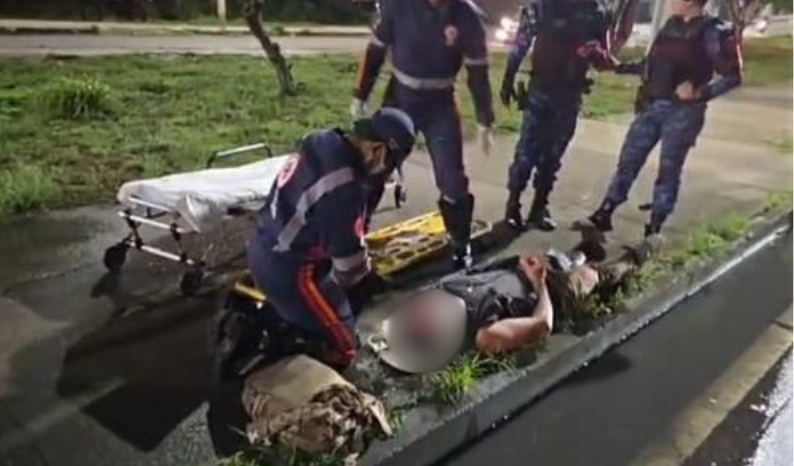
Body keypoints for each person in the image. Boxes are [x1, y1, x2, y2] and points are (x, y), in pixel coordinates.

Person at [246, 108, 416, 371]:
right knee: (345, 346)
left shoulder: (324, 139)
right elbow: (350, 271)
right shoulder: (343, 190)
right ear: (378, 150)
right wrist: (366, 279)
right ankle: (292, 363)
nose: (386, 172)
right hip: (288, 269)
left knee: (334, 298)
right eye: (390, 164)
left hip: (265, 239)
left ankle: (294, 317)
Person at [372, 232, 659, 373]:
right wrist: (540, 283)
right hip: (548, 294)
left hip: (517, 271)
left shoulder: (433, 297)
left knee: (558, 257)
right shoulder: (486, 336)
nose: (420, 314)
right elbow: (542, 325)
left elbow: (476, 274)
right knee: (592, 276)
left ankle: (582, 251)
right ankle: (633, 260)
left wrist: (517, 263)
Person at [351, 0, 495, 270]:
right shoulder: (399, 5)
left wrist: (485, 118)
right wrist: (361, 93)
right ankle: (354, 234)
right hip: (400, 98)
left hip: (440, 103)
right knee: (374, 167)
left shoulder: (467, 16)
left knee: (452, 178)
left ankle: (460, 242)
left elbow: (478, 71)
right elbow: (376, 50)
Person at [581, 0, 743, 237]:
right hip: (652, 105)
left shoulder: (713, 31)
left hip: (682, 113)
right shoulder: (671, 25)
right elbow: (651, 66)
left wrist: (700, 93)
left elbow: (734, 76)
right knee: (628, 160)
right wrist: (618, 68)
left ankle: (655, 226)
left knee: (669, 170)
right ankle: (606, 211)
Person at [500, 0, 614, 231]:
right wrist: (509, 77)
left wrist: (597, 54)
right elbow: (521, 42)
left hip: (570, 94)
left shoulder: (598, 11)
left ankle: (539, 207)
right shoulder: (542, 7)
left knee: (553, 156)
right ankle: (513, 206)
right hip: (540, 91)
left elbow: (605, 57)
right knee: (526, 153)